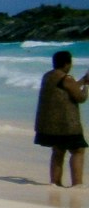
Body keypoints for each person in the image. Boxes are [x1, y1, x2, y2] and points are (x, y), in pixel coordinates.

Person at [34, 50, 89, 187]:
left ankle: (55, 182)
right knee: (78, 150)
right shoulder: (66, 78)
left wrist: (83, 79)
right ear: (66, 63)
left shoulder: (48, 76)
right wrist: (87, 85)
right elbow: (80, 97)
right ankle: (77, 184)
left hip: (49, 124)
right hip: (66, 125)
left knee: (58, 151)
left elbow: (68, 87)